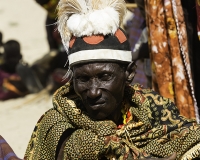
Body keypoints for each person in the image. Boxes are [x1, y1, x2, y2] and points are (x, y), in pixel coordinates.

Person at [24, 0, 200, 159]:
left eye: (104, 77)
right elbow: (79, 148)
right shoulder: (55, 124)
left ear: (129, 74)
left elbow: (189, 136)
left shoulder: (151, 107)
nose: (93, 91)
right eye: (83, 79)